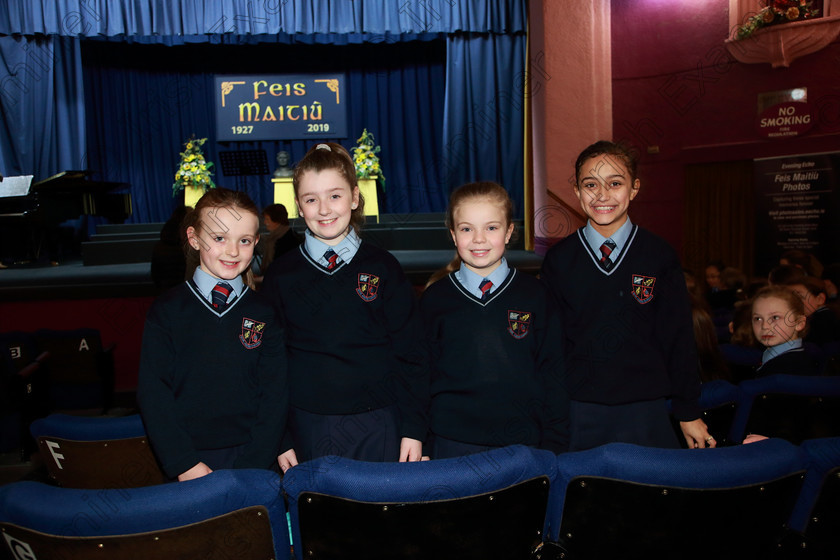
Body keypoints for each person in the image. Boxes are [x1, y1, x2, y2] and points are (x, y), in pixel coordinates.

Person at [261, 142, 426, 470]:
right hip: (306, 424)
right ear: (298, 205)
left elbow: (413, 355)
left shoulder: (384, 268)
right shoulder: (281, 274)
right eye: (311, 199)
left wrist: (414, 428)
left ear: (354, 197)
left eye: (334, 196)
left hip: (380, 422)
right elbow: (268, 364)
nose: (324, 209)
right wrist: (279, 437)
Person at [540, 140, 714, 451]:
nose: (602, 194)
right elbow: (550, 346)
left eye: (615, 183)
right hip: (580, 408)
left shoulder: (659, 255)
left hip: (646, 407)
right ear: (577, 192)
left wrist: (688, 410)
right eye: (590, 184)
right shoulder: (559, 259)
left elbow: (678, 338)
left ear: (634, 188)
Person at [137, 188, 288, 481]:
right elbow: (154, 394)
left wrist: (254, 463)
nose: (233, 251)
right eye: (219, 238)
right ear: (194, 238)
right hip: (190, 459)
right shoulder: (167, 311)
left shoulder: (264, 312)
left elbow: (275, 395)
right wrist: (183, 463)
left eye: (244, 241)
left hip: (255, 458)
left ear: (256, 241)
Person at [420, 182, 569, 459]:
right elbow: (421, 376)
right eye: (466, 229)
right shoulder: (435, 299)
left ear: (509, 231)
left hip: (524, 444)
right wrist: (424, 442)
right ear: (453, 235)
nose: (479, 239)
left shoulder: (537, 296)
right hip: (451, 443)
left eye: (491, 227)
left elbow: (554, 375)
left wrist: (554, 445)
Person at [751, 285, 818, 377]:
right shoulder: (770, 358)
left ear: (799, 323)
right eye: (758, 319)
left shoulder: (791, 369)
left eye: (775, 317)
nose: (764, 326)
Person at [783, 277, 840, 347]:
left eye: (799, 297)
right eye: (788, 298)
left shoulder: (822, 321)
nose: (792, 302)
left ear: (820, 299)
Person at [259, 203, 301, 274]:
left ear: (276, 220)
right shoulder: (273, 238)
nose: (265, 222)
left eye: (267, 219)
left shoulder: (290, 240)